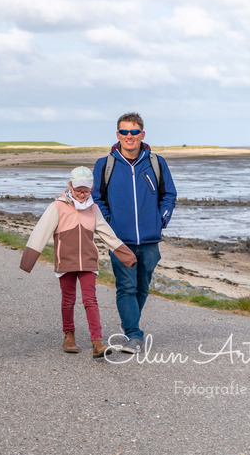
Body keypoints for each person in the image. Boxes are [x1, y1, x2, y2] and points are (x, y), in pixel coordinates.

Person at [21, 167, 136, 359]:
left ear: (92, 188)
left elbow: (108, 234)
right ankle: (69, 335)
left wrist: (128, 257)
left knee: (91, 300)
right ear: (70, 186)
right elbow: (41, 231)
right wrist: (28, 261)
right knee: (68, 300)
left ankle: (97, 342)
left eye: (86, 190)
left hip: (88, 262)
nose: (82, 194)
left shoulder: (93, 209)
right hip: (65, 261)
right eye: (78, 190)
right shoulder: (57, 207)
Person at [92, 112, 177, 355]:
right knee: (126, 287)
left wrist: (160, 220)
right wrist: (109, 225)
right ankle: (134, 335)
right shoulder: (104, 165)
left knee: (142, 287)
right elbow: (97, 198)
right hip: (120, 240)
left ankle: (130, 324)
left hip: (150, 239)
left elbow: (169, 195)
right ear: (118, 134)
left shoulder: (156, 163)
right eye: (124, 131)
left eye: (134, 131)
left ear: (142, 134)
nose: (129, 136)